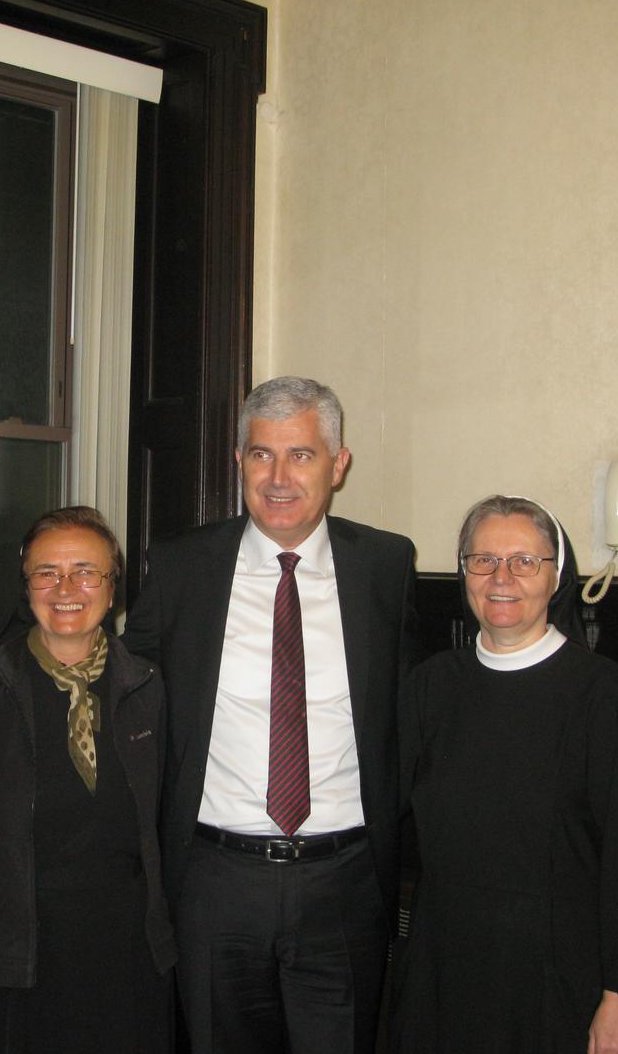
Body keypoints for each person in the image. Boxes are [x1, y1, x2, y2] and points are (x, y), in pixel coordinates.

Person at [123, 375, 419, 1054]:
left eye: (302, 455)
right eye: (261, 454)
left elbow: (411, 710)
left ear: (338, 465)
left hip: (345, 882)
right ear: (239, 461)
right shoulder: (183, 567)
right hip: (215, 881)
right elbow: (124, 687)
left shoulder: (385, 565)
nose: (279, 477)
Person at [392, 495, 618, 1054]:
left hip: (558, 971)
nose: (501, 578)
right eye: (483, 560)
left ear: (555, 576)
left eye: (524, 561)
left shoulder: (600, 693)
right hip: (444, 961)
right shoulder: (430, 686)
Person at [0, 505, 175, 1052]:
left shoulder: (150, 690)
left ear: (112, 590)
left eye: (85, 572)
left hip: (127, 960)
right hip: (15, 963)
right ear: (26, 588)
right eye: (46, 573)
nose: (66, 588)